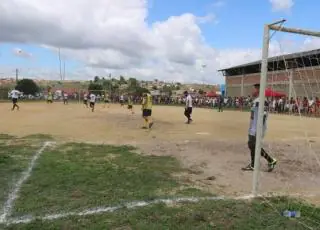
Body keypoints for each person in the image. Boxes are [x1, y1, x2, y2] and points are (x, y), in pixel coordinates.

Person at [242, 83, 277, 172]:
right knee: (251, 144)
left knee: (254, 145)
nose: (255, 90)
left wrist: (259, 128)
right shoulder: (257, 100)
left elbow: (264, 115)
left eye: (257, 89)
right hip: (253, 127)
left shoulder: (262, 101)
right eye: (255, 88)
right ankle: (255, 164)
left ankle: (270, 160)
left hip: (257, 127)